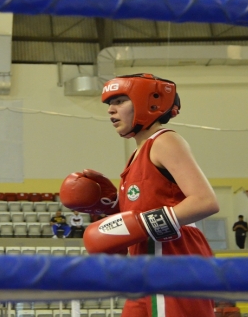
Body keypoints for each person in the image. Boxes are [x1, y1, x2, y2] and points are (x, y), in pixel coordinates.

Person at [60, 73, 219, 317]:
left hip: (174, 259)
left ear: (150, 102)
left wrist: (141, 224)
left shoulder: (165, 141)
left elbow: (205, 201)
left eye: (120, 101)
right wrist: (111, 205)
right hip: (143, 266)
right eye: (109, 105)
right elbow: (138, 217)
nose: (111, 111)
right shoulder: (136, 156)